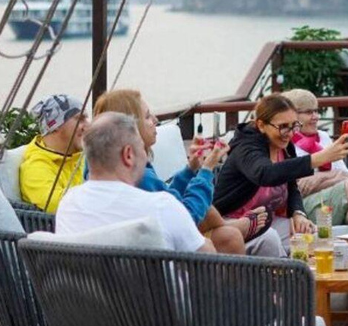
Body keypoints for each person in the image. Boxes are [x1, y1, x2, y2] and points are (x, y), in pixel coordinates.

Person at [92, 89, 244, 255]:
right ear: (131, 128)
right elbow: (186, 218)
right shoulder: (139, 176)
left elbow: (168, 199)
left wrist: (191, 169)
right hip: (156, 260)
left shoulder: (101, 174)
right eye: (148, 116)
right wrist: (206, 171)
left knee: (228, 235)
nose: (156, 120)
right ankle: (237, 226)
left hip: (125, 258)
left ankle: (233, 226)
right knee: (224, 238)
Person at [213, 94, 348, 256]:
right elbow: (266, 174)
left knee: (312, 238)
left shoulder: (285, 147)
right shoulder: (246, 148)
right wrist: (318, 158)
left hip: (266, 221)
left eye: (294, 125)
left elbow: (292, 186)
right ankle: (286, 279)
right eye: (283, 126)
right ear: (261, 125)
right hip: (232, 224)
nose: (290, 133)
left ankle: (312, 279)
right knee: (269, 238)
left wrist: (297, 213)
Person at [56, 112, 214, 253]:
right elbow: (205, 260)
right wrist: (206, 171)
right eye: (141, 146)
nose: (145, 154)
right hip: (152, 286)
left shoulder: (68, 204)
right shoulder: (160, 207)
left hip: (82, 286)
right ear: (128, 155)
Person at [283, 89, 348, 233]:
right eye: (309, 112)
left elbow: (345, 176)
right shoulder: (286, 142)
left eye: (316, 111)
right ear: (293, 116)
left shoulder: (323, 137)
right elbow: (301, 188)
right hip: (304, 210)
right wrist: (334, 177)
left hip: (332, 201)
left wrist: (320, 177)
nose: (315, 117)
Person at [20, 94, 88, 213]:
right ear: (55, 126)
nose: (88, 125)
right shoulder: (36, 167)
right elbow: (62, 207)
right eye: (80, 119)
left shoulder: (79, 158)